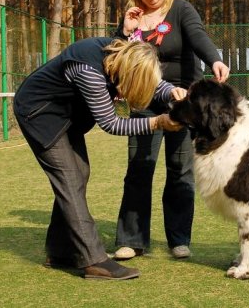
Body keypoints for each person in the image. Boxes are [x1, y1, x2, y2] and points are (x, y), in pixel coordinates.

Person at [14, 37, 186, 280]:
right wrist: (157, 122)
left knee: (80, 174)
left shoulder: (124, 56)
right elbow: (110, 123)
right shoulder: (89, 71)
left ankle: (60, 252)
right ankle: (94, 260)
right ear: (131, 73)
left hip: (66, 112)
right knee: (70, 180)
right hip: (39, 112)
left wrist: (172, 91)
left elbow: (153, 82)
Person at [112, 0, 229, 261]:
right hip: (144, 101)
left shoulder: (181, 10)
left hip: (183, 104)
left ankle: (179, 238)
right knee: (139, 169)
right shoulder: (132, 17)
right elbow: (116, 55)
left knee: (180, 171)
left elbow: (199, 37)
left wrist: (214, 58)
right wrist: (124, 32)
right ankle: (131, 239)